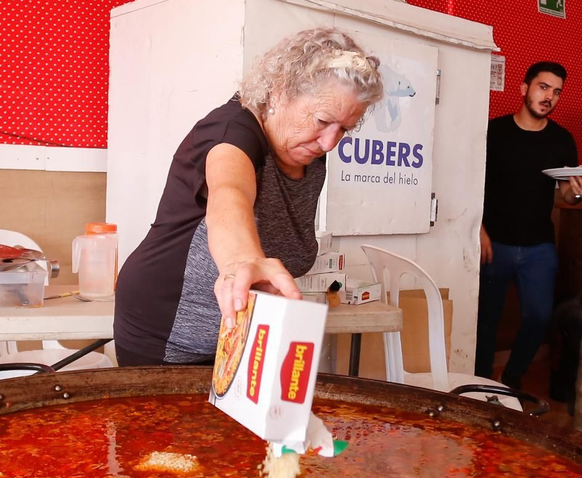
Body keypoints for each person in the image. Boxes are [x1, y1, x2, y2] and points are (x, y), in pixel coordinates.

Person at [113, 28, 384, 366]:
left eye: (344, 129)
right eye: (322, 120)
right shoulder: (231, 131)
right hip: (165, 335)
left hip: (240, 338)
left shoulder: (308, 148)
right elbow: (230, 191)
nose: (330, 143)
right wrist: (242, 262)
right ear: (280, 92)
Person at [475, 61, 582, 386]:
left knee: (539, 318)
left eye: (556, 92)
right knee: (485, 320)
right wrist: (478, 230)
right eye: (543, 87)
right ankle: (481, 384)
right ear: (524, 88)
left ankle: (511, 378)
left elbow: (566, 195)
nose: (549, 97)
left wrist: (580, 192)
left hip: (539, 246)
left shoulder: (561, 140)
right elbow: (470, 185)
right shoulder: (494, 132)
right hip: (494, 241)